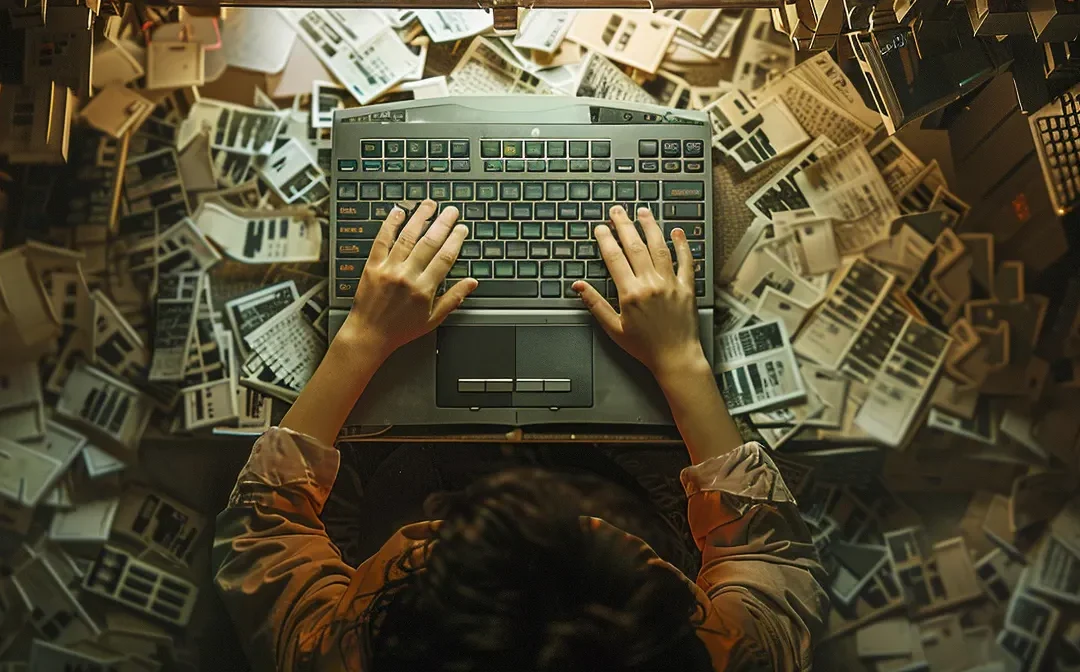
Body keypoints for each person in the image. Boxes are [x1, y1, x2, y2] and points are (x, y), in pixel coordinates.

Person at [212, 200, 829, 672]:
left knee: (392, 468)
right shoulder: (727, 656)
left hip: (395, 515)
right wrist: (681, 360)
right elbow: (766, 560)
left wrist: (361, 338)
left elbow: (262, 533)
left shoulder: (341, 650)